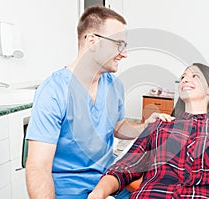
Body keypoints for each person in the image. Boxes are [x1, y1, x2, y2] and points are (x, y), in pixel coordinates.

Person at [25, 6, 173, 199]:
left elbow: (118, 126)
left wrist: (145, 126)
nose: (124, 53)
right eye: (118, 44)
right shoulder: (54, 91)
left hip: (108, 181)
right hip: (68, 189)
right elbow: (38, 167)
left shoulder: (114, 85)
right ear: (93, 42)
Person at [88, 63, 209, 199]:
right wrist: (98, 192)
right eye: (183, 77)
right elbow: (123, 168)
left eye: (194, 76)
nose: (185, 79)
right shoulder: (160, 126)